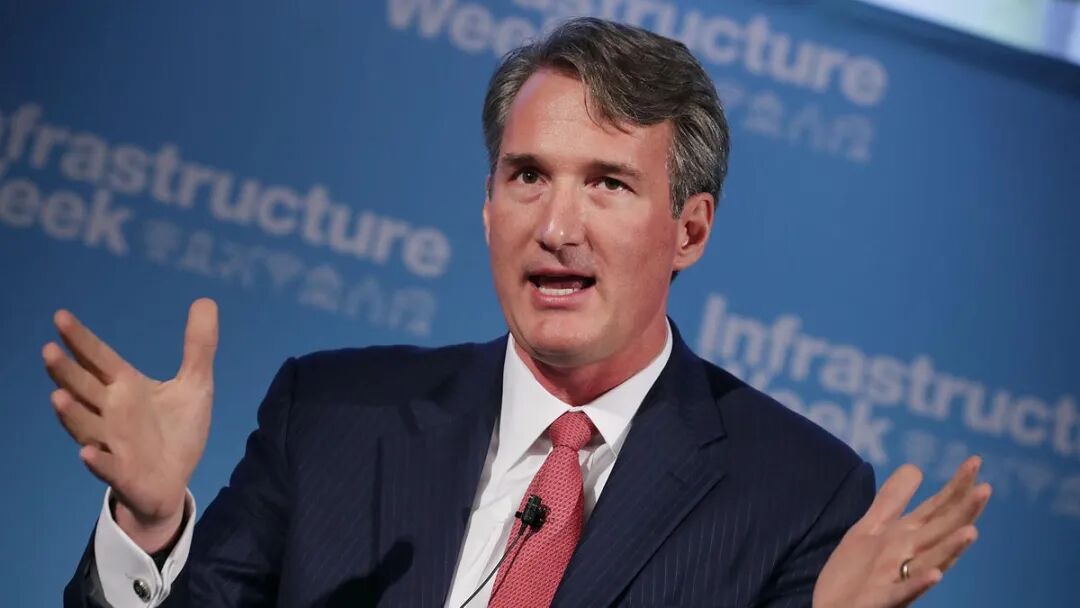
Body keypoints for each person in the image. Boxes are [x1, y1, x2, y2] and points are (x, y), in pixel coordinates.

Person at [45, 18, 990, 608]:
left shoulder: (796, 492)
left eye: (608, 183)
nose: (557, 226)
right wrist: (150, 526)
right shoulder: (329, 415)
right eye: (528, 176)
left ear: (690, 229)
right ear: (488, 207)